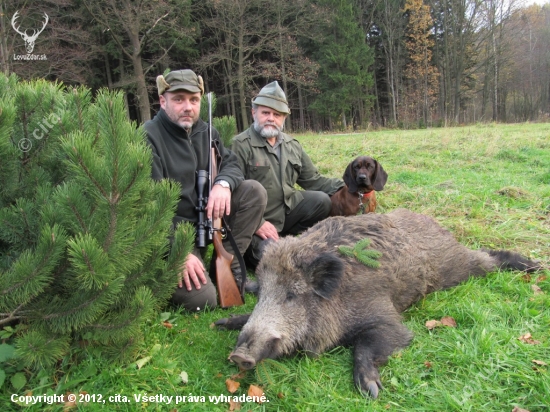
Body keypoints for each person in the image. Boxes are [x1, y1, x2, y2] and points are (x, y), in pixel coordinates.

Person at [144, 69, 267, 311]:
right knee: (204, 301)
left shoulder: (207, 132)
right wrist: (178, 251)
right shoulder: (148, 137)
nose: (188, 106)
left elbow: (231, 164)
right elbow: (148, 208)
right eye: (178, 99)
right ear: (162, 101)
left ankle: (226, 266)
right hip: (173, 237)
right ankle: (184, 270)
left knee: (254, 192)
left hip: (209, 223)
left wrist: (222, 184)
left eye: (194, 100)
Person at [231, 81, 345, 268]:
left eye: (277, 115)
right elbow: (233, 194)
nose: (271, 118)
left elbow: (314, 181)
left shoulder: (292, 145)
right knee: (276, 261)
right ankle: (260, 248)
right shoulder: (240, 145)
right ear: (254, 113)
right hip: (254, 224)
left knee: (322, 200)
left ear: (283, 118)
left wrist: (348, 187)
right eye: (265, 113)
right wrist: (258, 223)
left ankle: (284, 239)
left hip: (285, 214)